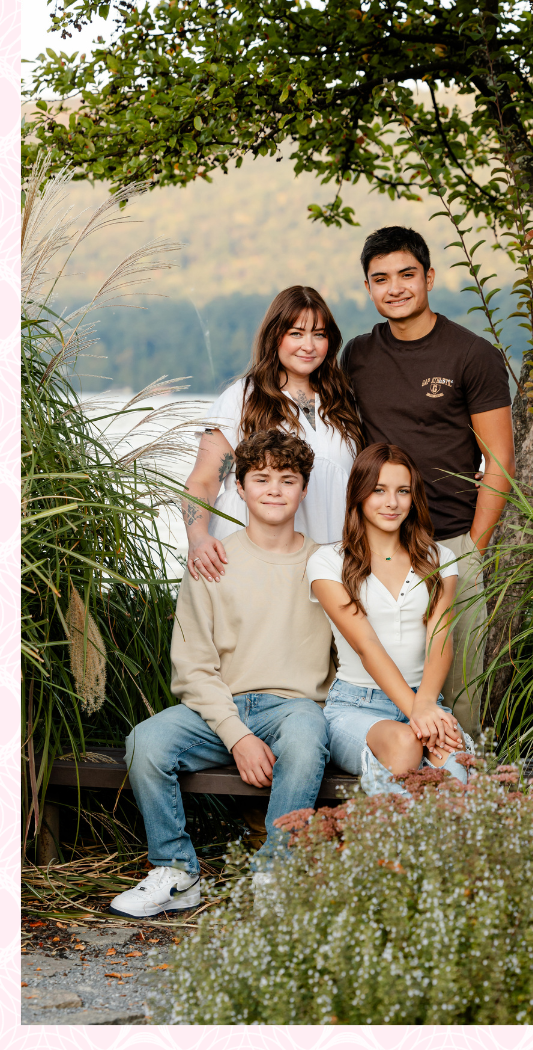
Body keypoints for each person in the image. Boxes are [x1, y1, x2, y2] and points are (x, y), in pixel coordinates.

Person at [111, 430, 334, 918]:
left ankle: (276, 873)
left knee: (305, 733)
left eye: (288, 479)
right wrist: (236, 736)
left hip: (294, 706)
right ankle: (176, 872)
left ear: (304, 488)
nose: (274, 489)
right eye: (262, 478)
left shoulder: (326, 563)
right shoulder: (213, 559)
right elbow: (192, 668)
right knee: (144, 743)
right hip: (219, 708)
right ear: (240, 485)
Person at [340, 227, 514, 733]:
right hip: (378, 547)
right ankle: (390, 794)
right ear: (369, 288)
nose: (394, 288)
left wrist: (472, 548)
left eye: (406, 275)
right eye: (380, 279)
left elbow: (499, 459)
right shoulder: (358, 355)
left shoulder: (471, 355)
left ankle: (458, 800)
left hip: (449, 543)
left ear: (429, 277)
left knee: (458, 694)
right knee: (378, 684)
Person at [307, 443, 473, 794]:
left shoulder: (439, 557)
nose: (391, 502)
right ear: (359, 494)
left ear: (414, 498)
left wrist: (427, 705)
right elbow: (366, 646)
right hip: (357, 706)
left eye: (402, 491)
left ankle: (419, 847)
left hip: (428, 698)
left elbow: (440, 637)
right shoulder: (328, 562)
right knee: (405, 743)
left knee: (456, 775)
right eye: (379, 490)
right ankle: (388, 847)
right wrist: (418, 714)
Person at [182, 285, 365, 583]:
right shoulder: (241, 399)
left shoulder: (343, 401)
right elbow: (202, 481)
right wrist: (198, 537)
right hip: (253, 556)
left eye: (319, 334)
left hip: (330, 556)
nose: (308, 345)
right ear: (274, 336)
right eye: (296, 333)